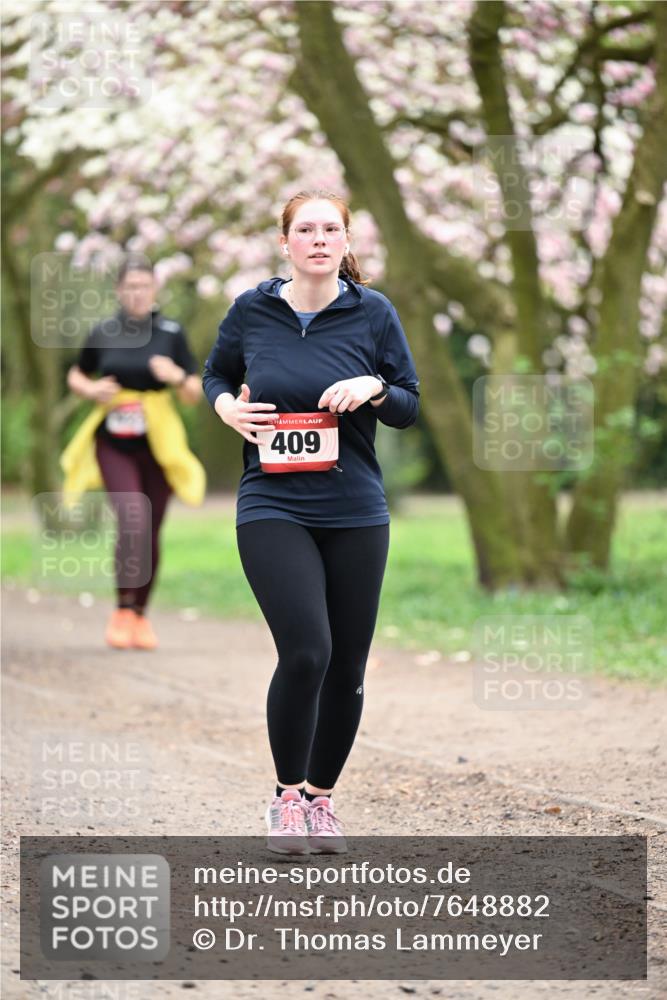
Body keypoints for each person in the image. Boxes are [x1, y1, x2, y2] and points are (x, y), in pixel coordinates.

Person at [202, 189, 420, 854]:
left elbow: (408, 403)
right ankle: (285, 798)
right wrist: (225, 410)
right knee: (306, 651)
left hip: (355, 507)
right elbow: (215, 375)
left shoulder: (372, 312)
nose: (319, 239)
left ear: (345, 243)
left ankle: (322, 801)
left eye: (331, 229)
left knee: (348, 665)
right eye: (306, 229)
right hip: (272, 502)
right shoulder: (252, 310)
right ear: (285, 243)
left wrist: (374, 388)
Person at [62, 255, 205, 650]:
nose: (137, 293)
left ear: (155, 289)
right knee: (133, 517)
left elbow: (194, 392)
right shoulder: (104, 331)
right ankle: (122, 609)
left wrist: (176, 376)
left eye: (144, 285)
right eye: (130, 286)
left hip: (159, 444)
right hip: (113, 442)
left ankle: (140, 615)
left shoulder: (171, 333)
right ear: (119, 290)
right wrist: (91, 390)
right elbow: (77, 372)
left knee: (151, 529)